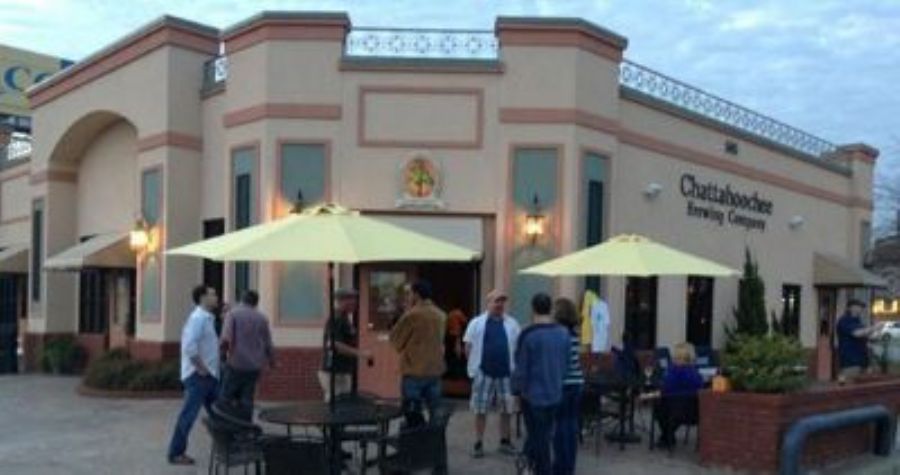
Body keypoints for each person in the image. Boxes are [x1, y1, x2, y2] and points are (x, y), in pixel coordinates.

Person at [512, 293, 570, 475]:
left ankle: (537, 468)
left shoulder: (528, 335)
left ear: (533, 309)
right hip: (555, 391)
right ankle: (527, 463)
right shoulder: (563, 334)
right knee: (543, 433)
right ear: (550, 309)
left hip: (532, 395)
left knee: (539, 437)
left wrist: (516, 392)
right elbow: (566, 364)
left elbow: (521, 368)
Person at [463, 290, 521, 458]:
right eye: (496, 301)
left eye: (502, 301)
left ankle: (504, 441)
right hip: (484, 372)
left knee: (507, 410)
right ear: (488, 303)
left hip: (506, 373)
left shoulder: (512, 324)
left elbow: (518, 347)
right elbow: (468, 346)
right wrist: (475, 368)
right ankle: (478, 443)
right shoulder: (476, 323)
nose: (500, 304)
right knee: (480, 410)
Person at [167, 285, 221, 466]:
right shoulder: (198, 319)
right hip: (198, 377)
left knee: (220, 413)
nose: (216, 297)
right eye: (213, 294)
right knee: (188, 416)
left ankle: (226, 446)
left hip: (210, 376)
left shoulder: (207, 318)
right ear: (203, 298)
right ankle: (176, 453)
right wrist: (201, 368)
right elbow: (189, 347)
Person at [390, 280, 446, 426]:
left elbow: (396, 341)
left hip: (414, 369)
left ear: (416, 294)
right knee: (435, 411)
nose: (408, 297)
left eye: (410, 293)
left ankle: (417, 436)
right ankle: (433, 437)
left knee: (413, 412)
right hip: (435, 369)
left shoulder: (412, 315)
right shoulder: (440, 315)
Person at [219, 290, 275, 412]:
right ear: (256, 302)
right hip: (254, 365)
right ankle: (245, 421)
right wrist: (272, 361)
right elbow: (268, 342)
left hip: (236, 363)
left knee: (226, 396)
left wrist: (222, 356)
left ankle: (225, 420)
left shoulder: (233, 314)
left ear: (242, 300)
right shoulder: (262, 318)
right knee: (247, 397)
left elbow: (226, 338)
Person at [319, 289, 372, 402]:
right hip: (334, 371)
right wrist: (360, 353)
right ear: (343, 301)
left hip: (342, 370)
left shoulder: (345, 318)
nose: (355, 303)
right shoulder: (336, 318)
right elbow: (335, 344)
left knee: (345, 405)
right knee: (338, 406)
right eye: (352, 299)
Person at [552, 297, 584, 475]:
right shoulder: (574, 334)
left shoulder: (559, 335)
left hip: (563, 384)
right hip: (577, 383)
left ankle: (560, 467)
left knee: (559, 427)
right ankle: (569, 466)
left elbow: (560, 363)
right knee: (571, 426)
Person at [653, 342, 704, 448]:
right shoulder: (695, 373)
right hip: (693, 413)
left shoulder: (673, 372)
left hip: (674, 412)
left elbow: (666, 388)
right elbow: (700, 388)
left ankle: (667, 437)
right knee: (671, 407)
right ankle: (668, 436)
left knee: (658, 406)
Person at [837, 299, 882, 379]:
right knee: (850, 384)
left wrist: (878, 331)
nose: (861, 309)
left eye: (861, 307)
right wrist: (874, 327)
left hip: (863, 362)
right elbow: (857, 333)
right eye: (858, 306)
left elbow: (870, 337)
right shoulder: (844, 320)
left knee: (864, 384)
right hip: (851, 362)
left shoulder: (858, 322)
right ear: (851, 308)